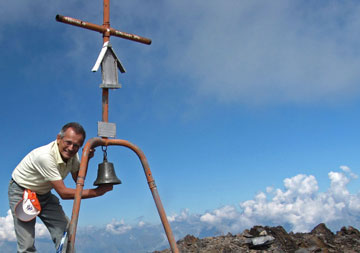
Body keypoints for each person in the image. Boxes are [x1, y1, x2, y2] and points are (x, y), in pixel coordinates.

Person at [8, 122, 113, 252]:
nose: (71, 148)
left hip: (44, 193)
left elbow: (78, 179)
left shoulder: (74, 155)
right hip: (21, 192)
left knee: (65, 231)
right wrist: (98, 192)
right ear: (59, 138)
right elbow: (64, 193)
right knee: (26, 244)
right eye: (68, 142)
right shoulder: (45, 157)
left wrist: (87, 159)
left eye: (76, 145)